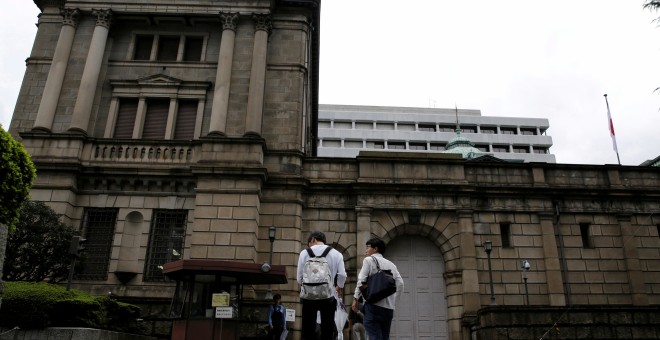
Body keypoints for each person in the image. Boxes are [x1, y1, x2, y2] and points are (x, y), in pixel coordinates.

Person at [297, 231, 347, 340]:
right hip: (328, 295)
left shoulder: (304, 253)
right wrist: (338, 287)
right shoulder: (336, 254)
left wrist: (308, 286)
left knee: (307, 329)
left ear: (313, 239)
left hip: (308, 296)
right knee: (327, 328)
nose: (309, 246)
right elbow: (342, 275)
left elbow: (299, 277)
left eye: (309, 242)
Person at [351, 238, 404, 340]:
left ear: (375, 249)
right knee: (385, 336)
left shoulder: (368, 260)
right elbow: (400, 284)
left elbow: (361, 280)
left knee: (375, 336)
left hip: (373, 306)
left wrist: (355, 298)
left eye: (368, 247)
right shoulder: (391, 264)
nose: (366, 250)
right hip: (388, 309)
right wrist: (394, 302)